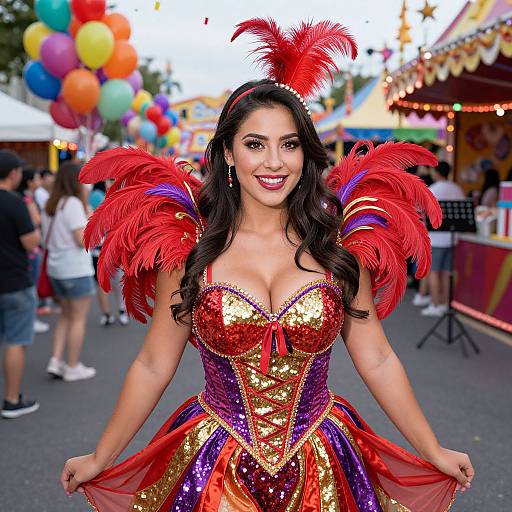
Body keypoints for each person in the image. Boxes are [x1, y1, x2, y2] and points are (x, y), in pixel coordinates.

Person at [62, 19, 473, 511]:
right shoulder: (191, 252)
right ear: (229, 154)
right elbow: (153, 364)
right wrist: (102, 456)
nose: (274, 162)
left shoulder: (337, 247)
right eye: (255, 144)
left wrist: (432, 449)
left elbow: (377, 357)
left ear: (305, 152)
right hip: (215, 470)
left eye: (289, 143)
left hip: (322, 465)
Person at [41, 162, 96, 382]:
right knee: (77, 319)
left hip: (56, 268)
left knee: (65, 316)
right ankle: (72, 366)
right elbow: (80, 239)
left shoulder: (51, 204)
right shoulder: (72, 203)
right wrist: (93, 225)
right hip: (75, 269)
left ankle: (56, 359)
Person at [0, 150, 40, 418]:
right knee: (15, 341)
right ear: (13, 173)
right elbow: (31, 243)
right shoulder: (15, 203)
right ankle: (12, 400)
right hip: (14, 280)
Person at [421, 161, 465, 317]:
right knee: (447, 272)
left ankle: (434, 304)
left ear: (437, 172)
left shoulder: (433, 190)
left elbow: (423, 212)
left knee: (433, 272)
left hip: (436, 238)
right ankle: (446, 303)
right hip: (452, 238)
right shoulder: (457, 188)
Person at [88, 181, 129, 327]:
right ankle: (121, 311)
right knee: (117, 280)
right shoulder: (100, 196)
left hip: (99, 247)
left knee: (103, 283)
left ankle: (107, 314)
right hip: (107, 246)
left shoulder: (90, 196)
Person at [17, 168, 50, 334]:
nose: (39, 182)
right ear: (29, 182)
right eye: (36, 179)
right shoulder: (27, 199)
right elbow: (37, 219)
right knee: (31, 285)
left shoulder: (24, 197)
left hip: (28, 249)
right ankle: (31, 320)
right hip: (31, 249)